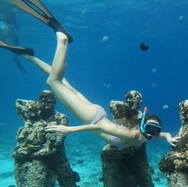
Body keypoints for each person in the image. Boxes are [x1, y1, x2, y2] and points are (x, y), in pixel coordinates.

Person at [0, 0, 174, 147]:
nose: (152, 134)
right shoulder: (131, 135)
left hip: (96, 112)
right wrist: (71, 130)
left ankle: (28, 56)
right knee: (53, 82)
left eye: (154, 131)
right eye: (150, 129)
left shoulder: (147, 135)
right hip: (91, 118)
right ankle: (62, 40)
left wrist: (168, 137)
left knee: (62, 82)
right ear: (142, 125)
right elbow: (98, 129)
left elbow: (163, 134)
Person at [13, 90, 85, 187]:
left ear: (55, 101)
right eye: (43, 98)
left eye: (50, 98)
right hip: (39, 162)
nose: (46, 101)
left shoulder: (60, 118)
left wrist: (28, 152)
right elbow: (19, 104)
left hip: (59, 161)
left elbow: (55, 145)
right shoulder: (33, 117)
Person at [101, 90, 165, 187]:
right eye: (131, 100)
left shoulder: (145, 118)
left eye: (137, 101)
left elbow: (153, 131)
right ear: (126, 99)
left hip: (138, 159)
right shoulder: (116, 109)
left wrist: (166, 136)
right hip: (114, 158)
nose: (134, 103)